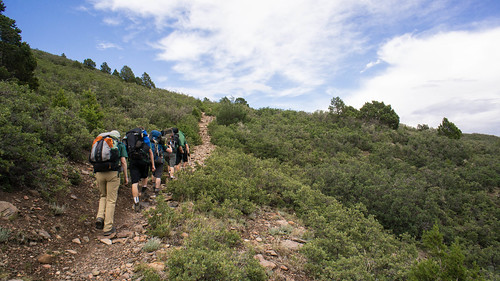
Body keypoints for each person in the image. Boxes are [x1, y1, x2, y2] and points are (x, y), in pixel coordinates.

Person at [92, 130, 128, 236]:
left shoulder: (99, 142)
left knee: (103, 196)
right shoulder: (119, 145)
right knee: (111, 200)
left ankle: (100, 217)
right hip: (112, 173)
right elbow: (123, 162)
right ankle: (108, 227)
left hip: (99, 173)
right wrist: (126, 177)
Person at [125, 128, 155, 212]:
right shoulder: (144, 140)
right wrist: (152, 165)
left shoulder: (130, 140)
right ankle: (143, 193)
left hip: (133, 161)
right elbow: (150, 152)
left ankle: (136, 202)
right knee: (145, 177)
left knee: (134, 182)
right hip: (143, 161)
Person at [150, 130, 167, 194]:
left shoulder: (149, 143)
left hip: (151, 160)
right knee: (158, 175)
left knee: (153, 173)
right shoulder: (161, 143)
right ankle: (157, 190)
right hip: (159, 160)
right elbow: (168, 150)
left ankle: (153, 185)